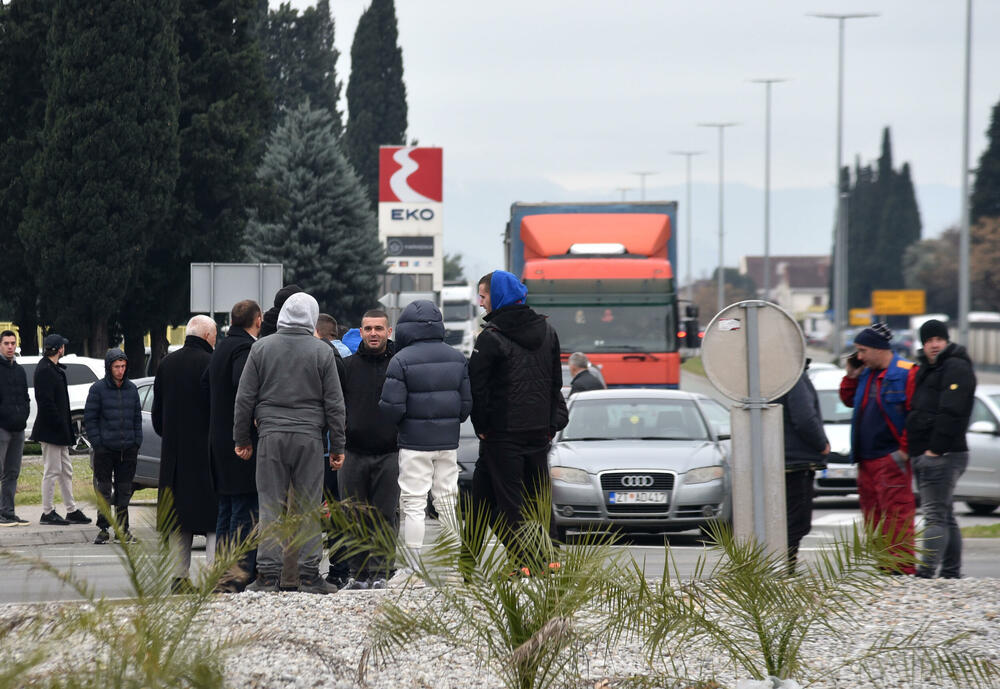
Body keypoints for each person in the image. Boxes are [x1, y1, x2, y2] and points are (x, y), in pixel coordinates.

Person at [233, 292, 344, 595]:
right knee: (308, 506)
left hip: (270, 436)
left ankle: (268, 576)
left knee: (270, 506)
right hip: (309, 437)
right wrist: (337, 446)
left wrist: (241, 439)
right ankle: (308, 575)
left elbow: (244, 398)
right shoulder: (322, 351)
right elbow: (335, 403)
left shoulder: (261, 348)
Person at [469, 271, 568, 570]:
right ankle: (549, 558)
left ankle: (524, 561)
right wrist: (551, 425)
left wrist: (482, 428)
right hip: (539, 433)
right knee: (539, 498)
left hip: (502, 434)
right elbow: (555, 383)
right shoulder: (548, 332)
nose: (481, 303)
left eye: (484, 296)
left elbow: (478, 389)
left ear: (497, 297)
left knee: (510, 503)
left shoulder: (491, 337)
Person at [379, 300, 472, 583]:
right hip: (447, 442)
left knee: (414, 504)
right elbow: (466, 406)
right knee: (447, 502)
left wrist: (405, 421)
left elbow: (391, 407)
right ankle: (454, 570)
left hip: (414, 443)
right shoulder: (457, 358)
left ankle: (413, 570)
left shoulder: (401, 359)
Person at [839, 322, 917, 575]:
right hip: (866, 459)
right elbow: (848, 399)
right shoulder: (866, 372)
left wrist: (903, 451)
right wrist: (850, 376)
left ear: (878, 348)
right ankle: (885, 566)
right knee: (873, 517)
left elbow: (916, 415)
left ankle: (901, 570)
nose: (858, 356)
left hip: (890, 457)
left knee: (897, 514)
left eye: (862, 350)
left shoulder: (906, 373)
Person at [906, 319, 976, 579]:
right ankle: (950, 572)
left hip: (943, 454)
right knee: (945, 514)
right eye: (928, 341)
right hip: (928, 452)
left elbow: (952, 411)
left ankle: (926, 573)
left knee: (934, 515)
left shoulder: (955, 367)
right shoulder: (929, 368)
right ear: (922, 344)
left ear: (947, 341)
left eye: (939, 339)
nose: (934, 345)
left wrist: (934, 450)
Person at [153, 315, 218, 589]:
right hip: (206, 455)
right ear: (206, 337)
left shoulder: (166, 364)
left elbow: (157, 417)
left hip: (174, 457)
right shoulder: (211, 363)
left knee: (180, 521)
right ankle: (214, 576)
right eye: (215, 336)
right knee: (214, 519)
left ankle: (179, 578)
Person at [339, 309, 399, 590]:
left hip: (390, 452)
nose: (373, 333)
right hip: (353, 452)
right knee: (353, 516)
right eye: (367, 328)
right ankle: (358, 574)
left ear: (389, 332)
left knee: (385, 515)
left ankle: (382, 572)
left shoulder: (399, 365)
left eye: (378, 328)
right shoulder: (347, 366)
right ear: (360, 332)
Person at [205, 300, 262, 592]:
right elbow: (244, 386)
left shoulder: (222, 347)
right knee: (244, 510)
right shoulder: (245, 349)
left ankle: (221, 574)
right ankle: (236, 575)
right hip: (240, 443)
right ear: (258, 319)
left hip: (218, 440)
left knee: (227, 510)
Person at [84, 348, 142, 544]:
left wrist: (136, 441)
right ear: (109, 368)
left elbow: (137, 418)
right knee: (104, 490)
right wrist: (98, 443)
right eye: (116, 367)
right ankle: (103, 528)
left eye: (123, 366)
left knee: (124, 490)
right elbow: (90, 419)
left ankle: (123, 529)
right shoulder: (97, 389)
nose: (120, 370)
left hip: (128, 449)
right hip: (105, 450)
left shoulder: (132, 389)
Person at [31, 334, 91, 526]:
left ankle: (71, 510)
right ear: (58, 349)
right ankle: (47, 512)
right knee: (52, 470)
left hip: (60, 430)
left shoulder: (53, 368)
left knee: (66, 470)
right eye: (63, 346)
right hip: (51, 431)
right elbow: (46, 402)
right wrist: (59, 424)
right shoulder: (44, 370)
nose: (64, 348)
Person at [777, 363, 830, 572]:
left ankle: (778, 566)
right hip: (795, 462)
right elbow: (804, 418)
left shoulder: (766, 373)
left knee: (780, 519)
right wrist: (822, 444)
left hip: (776, 460)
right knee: (796, 521)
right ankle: (785, 567)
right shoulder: (792, 375)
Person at [0, 330, 30, 526]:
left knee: (12, 472)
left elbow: (25, 397)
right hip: (2, 428)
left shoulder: (20, 370)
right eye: (6, 343)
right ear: (0, 345)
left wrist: (24, 416)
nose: (10, 346)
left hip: (18, 429)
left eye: (13, 343)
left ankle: (8, 511)